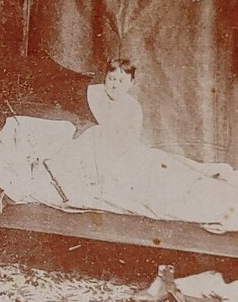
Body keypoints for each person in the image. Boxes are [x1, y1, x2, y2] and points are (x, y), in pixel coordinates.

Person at [46, 58, 238, 232]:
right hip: (107, 161)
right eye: (111, 78)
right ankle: (221, 198)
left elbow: (129, 143)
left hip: (130, 157)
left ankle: (223, 197)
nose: (115, 84)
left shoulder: (132, 107)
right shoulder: (93, 94)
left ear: (131, 83)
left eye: (121, 81)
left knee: (171, 174)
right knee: (163, 189)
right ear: (105, 77)